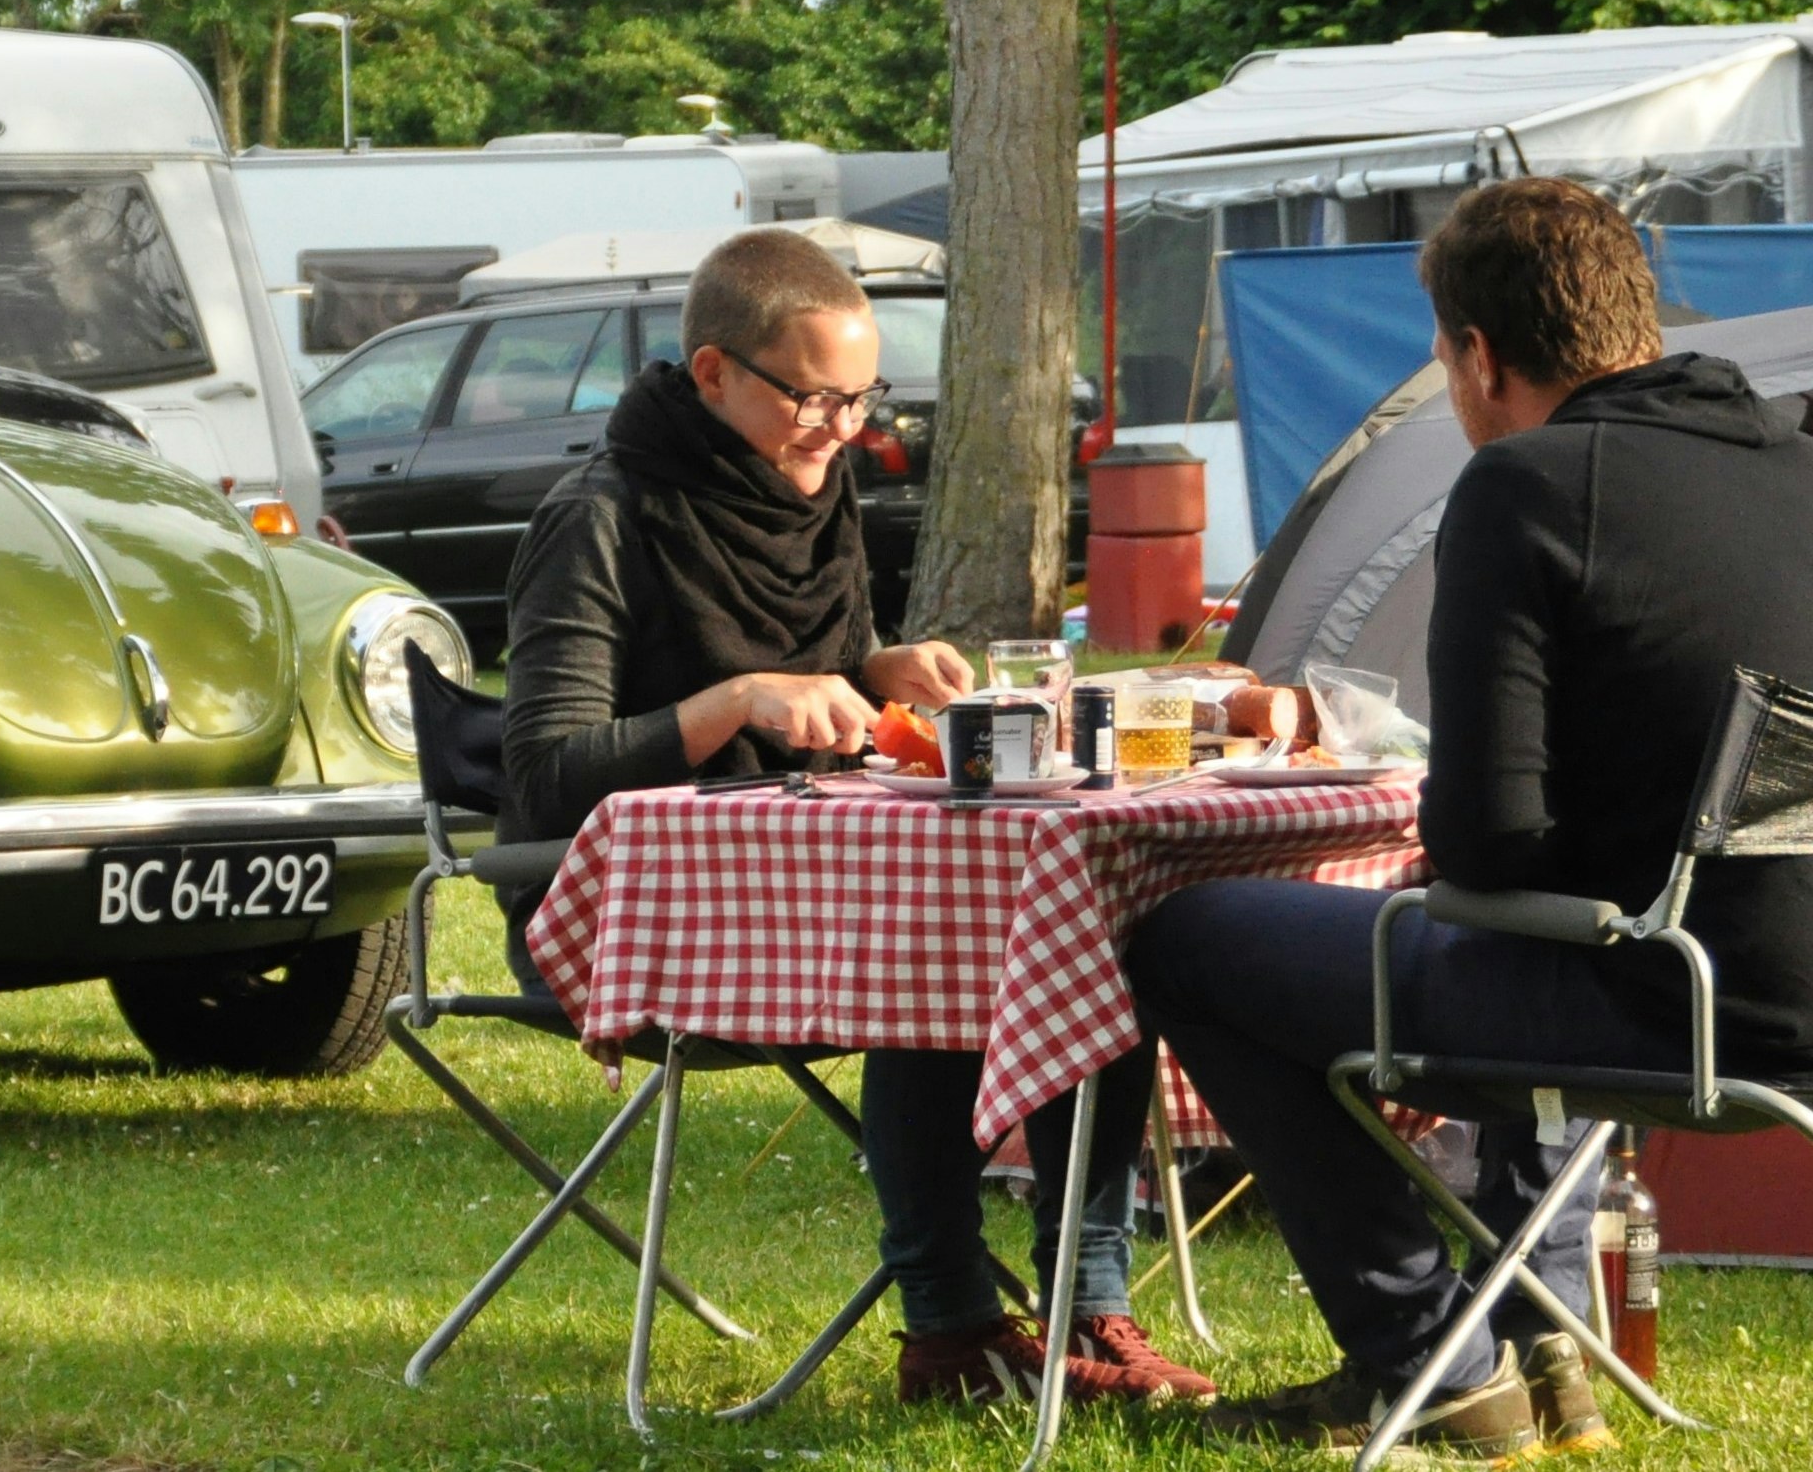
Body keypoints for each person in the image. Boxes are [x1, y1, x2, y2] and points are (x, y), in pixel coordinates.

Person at [1128, 177, 1813, 1459]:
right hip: (1785, 991)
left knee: (1187, 940)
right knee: (1536, 924)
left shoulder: (1528, 485)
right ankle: (1541, 1334)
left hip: (1675, 1008)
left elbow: (1486, 842)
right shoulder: (1795, 463)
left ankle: (1429, 1359)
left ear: (1479, 357)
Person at [499, 228, 1212, 1408]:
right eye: (814, 398)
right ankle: (952, 1329)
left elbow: (817, 675)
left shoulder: (808, 487)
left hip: (814, 883)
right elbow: (543, 773)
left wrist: (879, 671)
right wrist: (736, 699)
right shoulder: (602, 518)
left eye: (862, 398)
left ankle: (1087, 1308)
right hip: (626, 912)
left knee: (1087, 926)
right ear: (714, 373)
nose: (842, 428)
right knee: (938, 949)